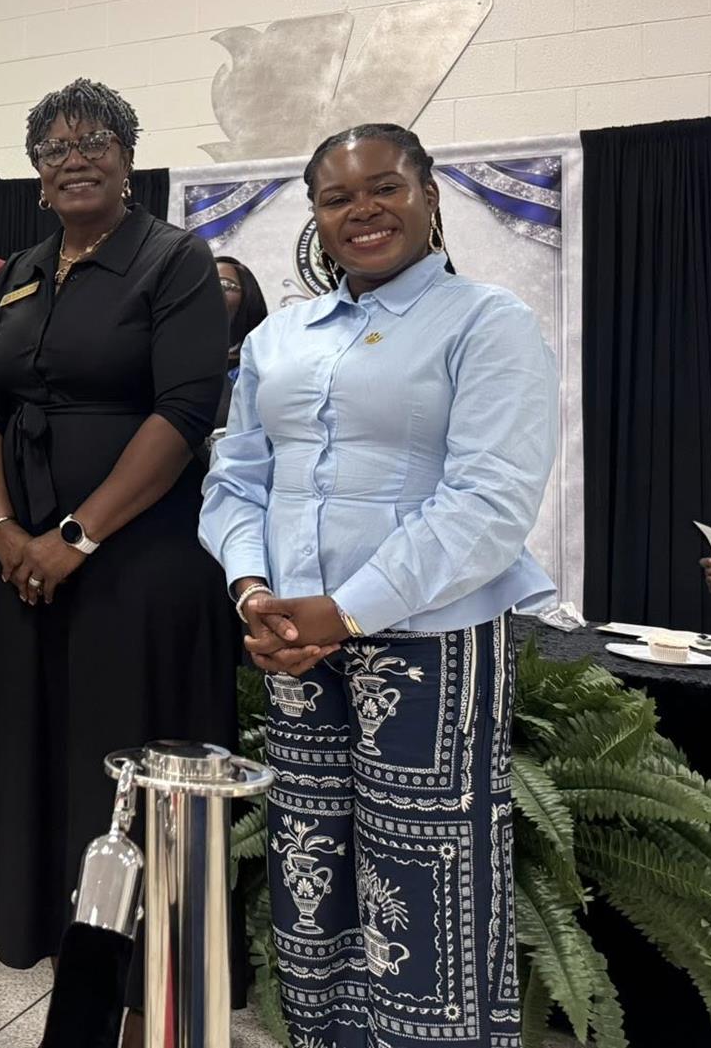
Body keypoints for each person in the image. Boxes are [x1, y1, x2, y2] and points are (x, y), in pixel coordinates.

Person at [202, 122, 558, 1048]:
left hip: (430, 644)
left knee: (421, 884)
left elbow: (490, 502)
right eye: (335, 197)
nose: (362, 210)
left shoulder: (489, 322)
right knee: (310, 871)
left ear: (429, 193)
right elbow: (236, 476)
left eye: (384, 187)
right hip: (290, 640)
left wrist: (346, 607)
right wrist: (252, 589)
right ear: (315, 218)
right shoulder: (280, 337)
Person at [0, 79, 235, 1025]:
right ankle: (49, 944)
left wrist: (76, 536)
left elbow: (186, 411)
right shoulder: (19, 271)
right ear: (36, 172)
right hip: (21, 560)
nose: (75, 156)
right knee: (34, 742)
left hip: (138, 557)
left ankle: (141, 969)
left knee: (120, 753)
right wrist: (4, 531)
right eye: (56, 145)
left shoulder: (174, 259)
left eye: (95, 139)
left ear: (128, 155)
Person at [215, 255, 268, 429]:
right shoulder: (176, 363)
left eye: (223, 285)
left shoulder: (266, 360)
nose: (211, 292)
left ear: (248, 296)